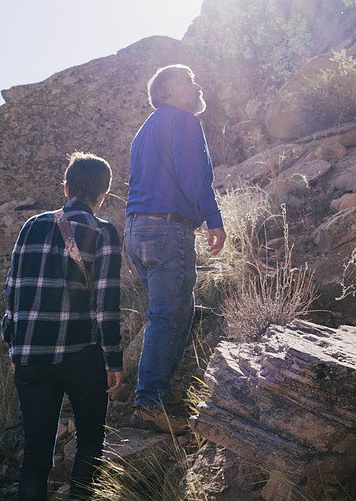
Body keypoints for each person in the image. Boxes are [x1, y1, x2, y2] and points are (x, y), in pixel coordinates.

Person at [1, 151, 123, 500]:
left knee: (36, 453)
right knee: (90, 444)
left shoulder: (31, 225)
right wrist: (114, 361)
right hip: (81, 356)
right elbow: (107, 304)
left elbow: (12, 289)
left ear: (66, 187)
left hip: (30, 355)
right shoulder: (103, 232)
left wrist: (14, 343)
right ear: (103, 194)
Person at [124, 64, 226, 434]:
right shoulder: (184, 121)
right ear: (168, 90)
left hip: (136, 231)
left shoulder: (143, 131)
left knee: (172, 314)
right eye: (189, 81)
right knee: (169, 318)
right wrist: (213, 218)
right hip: (168, 230)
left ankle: (156, 399)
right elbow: (194, 174)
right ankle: (149, 402)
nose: (197, 85)